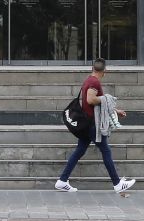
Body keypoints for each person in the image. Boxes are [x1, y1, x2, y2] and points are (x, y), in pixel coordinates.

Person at [54, 58, 136, 195]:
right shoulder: (94, 82)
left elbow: (98, 103)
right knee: (106, 151)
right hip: (92, 125)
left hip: (87, 124)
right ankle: (117, 184)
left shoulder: (89, 80)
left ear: (93, 68)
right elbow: (90, 100)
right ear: (104, 71)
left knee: (79, 151)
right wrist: (105, 98)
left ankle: (62, 181)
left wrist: (116, 110)